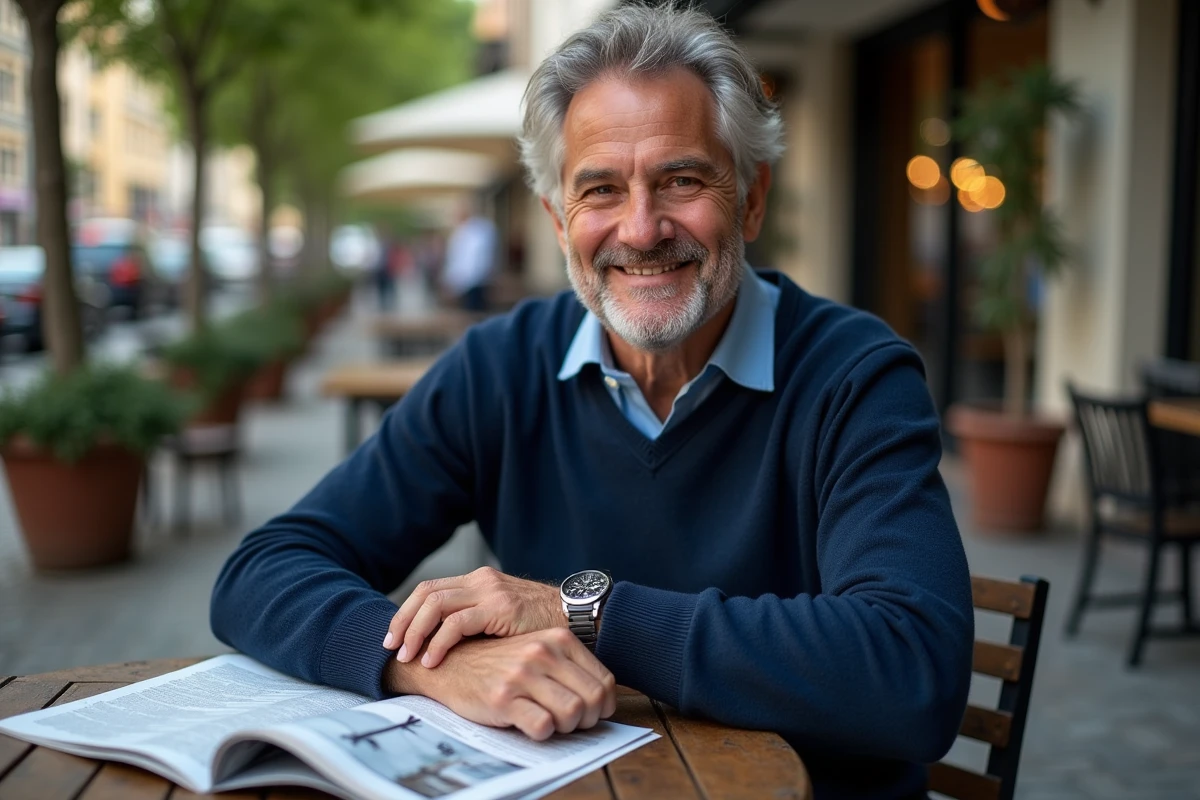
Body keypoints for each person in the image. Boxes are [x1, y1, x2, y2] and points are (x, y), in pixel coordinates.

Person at [211, 7, 973, 798]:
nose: (641, 229)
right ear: (556, 219)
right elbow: (261, 571)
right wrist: (425, 663)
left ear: (751, 198)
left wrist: (589, 614)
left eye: (682, 179)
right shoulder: (499, 369)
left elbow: (913, 671)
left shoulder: (855, 376)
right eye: (601, 189)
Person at [440, 199, 498, 312]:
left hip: (475, 282)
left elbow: (476, 260)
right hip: (465, 282)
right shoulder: (461, 231)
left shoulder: (479, 229)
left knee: (474, 312)